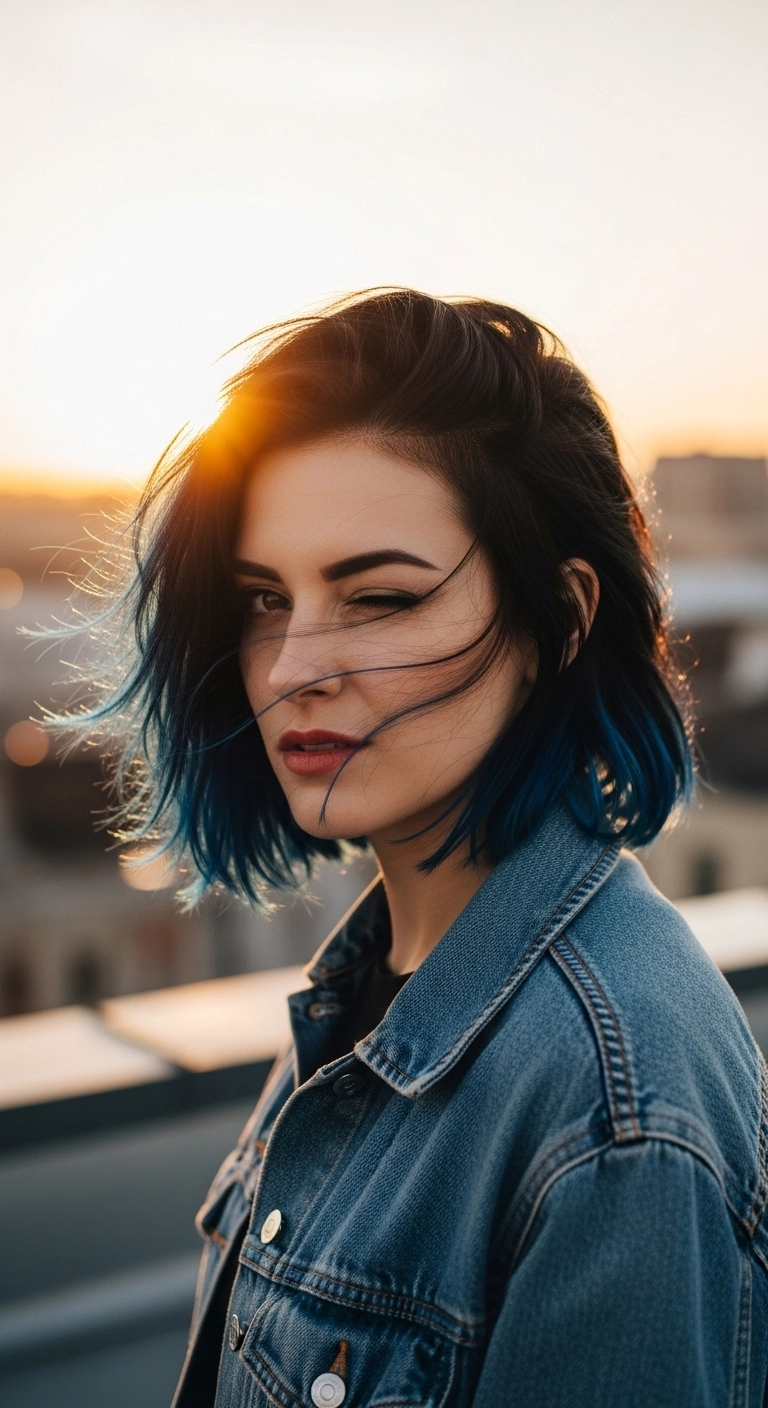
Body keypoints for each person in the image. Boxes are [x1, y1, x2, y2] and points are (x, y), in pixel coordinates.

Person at [69, 290, 768, 1405]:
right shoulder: (371, 982)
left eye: (381, 598)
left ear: (561, 619)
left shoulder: (613, 1109)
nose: (293, 666)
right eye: (264, 598)